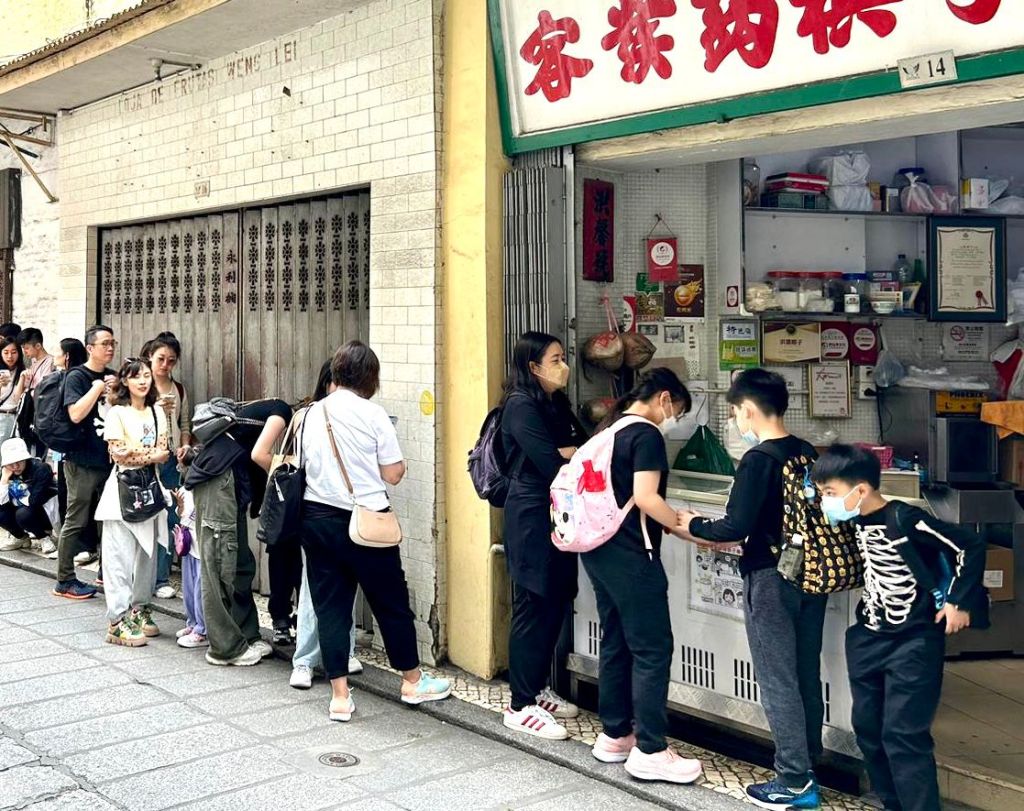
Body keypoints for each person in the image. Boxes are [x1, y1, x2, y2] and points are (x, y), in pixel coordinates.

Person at [679, 368, 825, 809]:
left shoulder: (759, 459)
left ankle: (794, 780)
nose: (734, 421)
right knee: (804, 673)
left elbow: (735, 525)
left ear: (747, 409)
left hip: (771, 577)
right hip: (811, 577)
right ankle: (809, 764)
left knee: (777, 678)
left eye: (734, 413)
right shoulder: (805, 452)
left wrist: (693, 525)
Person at [810, 445, 985, 811]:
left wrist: (959, 601)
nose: (826, 501)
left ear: (861, 489)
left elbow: (969, 546)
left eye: (830, 492)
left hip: (914, 640)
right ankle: (891, 802)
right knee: (868, 729)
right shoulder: (856, 520)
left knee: (903, 734)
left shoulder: (906, 518)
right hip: (868, 637)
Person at [300, 341, 450, 720]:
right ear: (370, 378)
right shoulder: (373, 414)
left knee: (330, 607)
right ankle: (412, 681)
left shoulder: (310, 413)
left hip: (317, 519)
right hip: (366, 522)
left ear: (336, 372)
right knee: (390, 603)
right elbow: (393, 473)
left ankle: (339, 697)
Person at [581, 368, 703, 784]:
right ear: (664, 399)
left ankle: (615, 734)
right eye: (677, 411)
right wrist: (683, 526)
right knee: (652, 649)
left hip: (599, 550)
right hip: (633, 554)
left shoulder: (609, 428)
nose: (675, 420)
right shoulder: (646, 435)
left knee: (616, 639)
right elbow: (647, 498)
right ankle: (651, 749)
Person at [500, 331, 587, 740]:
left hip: (561, 513)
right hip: (532, 514)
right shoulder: (520, 405)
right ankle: (519, 704)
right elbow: (553, 463)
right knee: (533, 603)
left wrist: (568, 453)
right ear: (533, 367)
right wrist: (567, 453)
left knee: (555, 600)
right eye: (555, 360)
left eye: (563, 357)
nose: (563, 365)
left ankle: (536, 687)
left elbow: (583, 448)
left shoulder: (556, 403)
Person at [184, 397, 291, 666]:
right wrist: (288, 475)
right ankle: (225, 648)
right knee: (220, 564)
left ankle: (247, 635)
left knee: (241, 564)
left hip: (231, 482)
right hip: (219, 482)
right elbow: (260, 455)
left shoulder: (260, 410)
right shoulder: (281, 411)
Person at [289, 360, 362, 689]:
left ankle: (344, 653)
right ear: (327, 384)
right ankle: (304, 659)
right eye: (337, 382)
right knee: (312, 587)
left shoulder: (362, 416)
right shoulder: (308, 416)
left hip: (354, 513)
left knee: (347, 585)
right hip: (317, 514)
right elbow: (292, 462)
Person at [94, 358, 170, 647]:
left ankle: (140, 609)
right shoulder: (117, 413)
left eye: (147, 375)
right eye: (136, 376)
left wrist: (137, 452)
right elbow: (118, 453)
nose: (143, 381)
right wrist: (148, 454)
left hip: (150, 489)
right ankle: (117, 620)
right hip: (122, 492)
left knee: (147, 556)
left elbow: (164, 451)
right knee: (119, 557)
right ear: (125, 381)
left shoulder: (157, 412)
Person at [53, 325, 117, 600]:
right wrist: (98, 388)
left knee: (109, 520)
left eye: (112, 343)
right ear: (90, 348)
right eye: (105, 343)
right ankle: (64, 580)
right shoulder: (77, 376)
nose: (110, 348)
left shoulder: (113, 376)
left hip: (109, 459)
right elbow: (76, 414)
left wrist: (115, 391)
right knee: (76, 520)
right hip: (81, 460)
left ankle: (106, 572)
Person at [142, 333, 192, 599]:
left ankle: (161, 578)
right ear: (150, 356)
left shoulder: (178, 389)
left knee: (171, 516)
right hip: (144, 459)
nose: (165, 365)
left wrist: (185, 445)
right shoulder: (140, 385)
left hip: (171, 460)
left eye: (171, 360)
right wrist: (157, 407)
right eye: (161, 358)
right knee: (142, 516)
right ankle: (137, 575)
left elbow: (185, 424)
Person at [50, 339, 92, 562]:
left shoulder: (76, 379)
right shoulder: (61, 376)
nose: (54, 354)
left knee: (79, 500)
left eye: (58, 351)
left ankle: (85, 545)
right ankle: (69, 546)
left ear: (67, 355)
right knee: (66, 495)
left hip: (77, 447)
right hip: (63, 446)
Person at [0, 437, 58, 548]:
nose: (15, 466)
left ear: (25, 459)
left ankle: (44, 537)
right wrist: (4, 479)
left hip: (42, 511)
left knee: (23, 514)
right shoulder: (6, 472)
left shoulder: (41, 469)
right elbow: (2, 502)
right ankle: (21, 538)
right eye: (11, 463)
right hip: (22, 509)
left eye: (19, 461)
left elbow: (35, 501)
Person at [173, 487, 207, 648]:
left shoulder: (206, 488)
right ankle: (193, 623)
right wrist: (180, 505)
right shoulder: (186, 488)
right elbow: (181, 515)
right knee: (189, 589)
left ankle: (202, 630)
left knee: (200, 590)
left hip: (201, 546)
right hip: (189, 545)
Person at [15, 328, 55, 395]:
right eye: (23, 348)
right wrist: (22, 376)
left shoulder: (50, 362)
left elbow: (43, 390)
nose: (24, 352)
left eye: (27, 348)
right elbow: (17, 396)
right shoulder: (32, 361)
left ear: (38, 346)